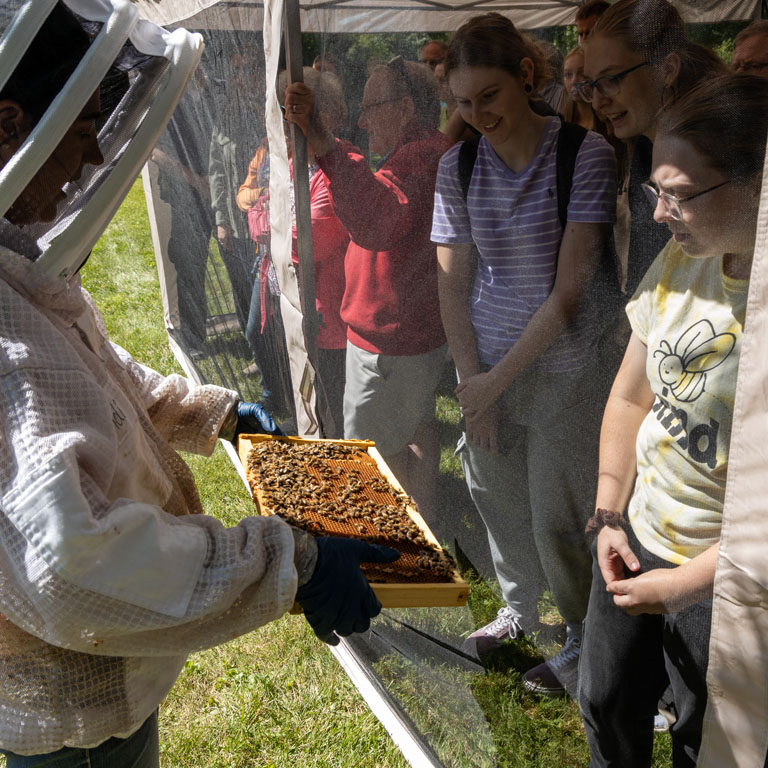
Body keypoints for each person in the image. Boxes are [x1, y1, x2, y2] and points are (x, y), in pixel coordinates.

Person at [0, 5, 398, 764]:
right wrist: (290, 561)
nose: (90, 162)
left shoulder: (18, 270)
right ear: (9, 124)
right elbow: (68, 562)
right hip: (71, 713)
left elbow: (93, 369)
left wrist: (218, 415)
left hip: (104, 688)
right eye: (84, 130)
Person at [579, 72, 768, 768]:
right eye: (656, 190)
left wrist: (685, 587)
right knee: (603, 701)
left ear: (758, 185)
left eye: (680, 195)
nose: (657, 213)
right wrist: (607, 513)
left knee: (706, 738)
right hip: (634, 538)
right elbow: (631, 398)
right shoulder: (681, 261)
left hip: (729, 584)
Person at [431, 13, 616, 695]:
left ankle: (578, 637)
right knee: (495, 494)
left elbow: (569, 292)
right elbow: (452, 280)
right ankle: (519, 609)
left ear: (527, 77)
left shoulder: (583, 155)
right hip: (486, 366)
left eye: (489, 97)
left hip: (565, 371)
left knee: (557, 511)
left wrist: (492, 386)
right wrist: (470, 380)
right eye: (462, 102)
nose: (477, 115)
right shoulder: (459, 164)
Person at [284, 58, 451, 523]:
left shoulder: (419, 157)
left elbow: (377, 221)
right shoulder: (428, 151)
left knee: (372, 449)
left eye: (371, 107)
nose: (361, 120)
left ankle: (386, 540)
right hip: (407, 333)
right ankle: (424, 527)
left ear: (403, 107)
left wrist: (324, 144)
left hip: (388, 341)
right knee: (416, 427)